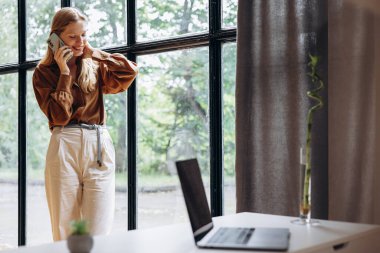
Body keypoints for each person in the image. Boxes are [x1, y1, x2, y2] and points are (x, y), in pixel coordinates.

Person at [32, 7, 138, 241]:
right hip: (64, 144)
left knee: (98, 231)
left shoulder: (94, 65)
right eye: (73, 36)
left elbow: (130, 72)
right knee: (65, 230)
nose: (80, 42)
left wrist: (96, 53)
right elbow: (59, 116)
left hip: (97, 143)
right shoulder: (43, 73)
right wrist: (64, 73)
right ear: (55, 38)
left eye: (84, 35)